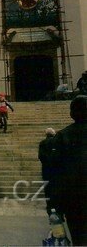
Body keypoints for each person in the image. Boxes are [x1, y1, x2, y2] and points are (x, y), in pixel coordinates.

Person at [49, 96, 86, 246]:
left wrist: (54, 206)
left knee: (80, 239)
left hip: (75, 200)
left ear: (72, 113)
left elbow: (55, 173)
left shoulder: (63, 136)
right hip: (75, 199)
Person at [38, 127, 56, 215]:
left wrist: (47, 163)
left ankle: (49, 205)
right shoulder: (57, 142)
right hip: (57, 169)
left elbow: (41, 156)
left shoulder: (42, 143)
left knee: (48, 187)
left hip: (46, 169)